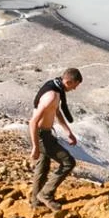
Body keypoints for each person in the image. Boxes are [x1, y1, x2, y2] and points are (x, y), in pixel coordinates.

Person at [29, 68, 84, 210]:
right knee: (68, 162)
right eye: (75, 85)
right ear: (68, 81)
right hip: (42, 136)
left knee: (42, 168)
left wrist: (68, 131)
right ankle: (45, 195)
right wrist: (35, 146)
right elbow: (33, 122)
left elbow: (56, 111)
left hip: (45, 133)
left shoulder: (56, 88)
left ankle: (35, 202)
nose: (75, 89)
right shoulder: (52, 95)